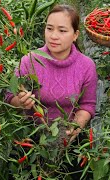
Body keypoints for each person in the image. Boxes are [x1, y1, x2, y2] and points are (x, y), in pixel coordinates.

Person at [6, 4, 97, 173]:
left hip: (70, 137)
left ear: (75, 35)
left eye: (62, 31)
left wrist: (75, 128)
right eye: (49, 28)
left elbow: (87, 105)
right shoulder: (29, 60)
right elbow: (9, 95)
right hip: (32, 137)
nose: (54, 36)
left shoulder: (86, 66)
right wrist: (20, 102)